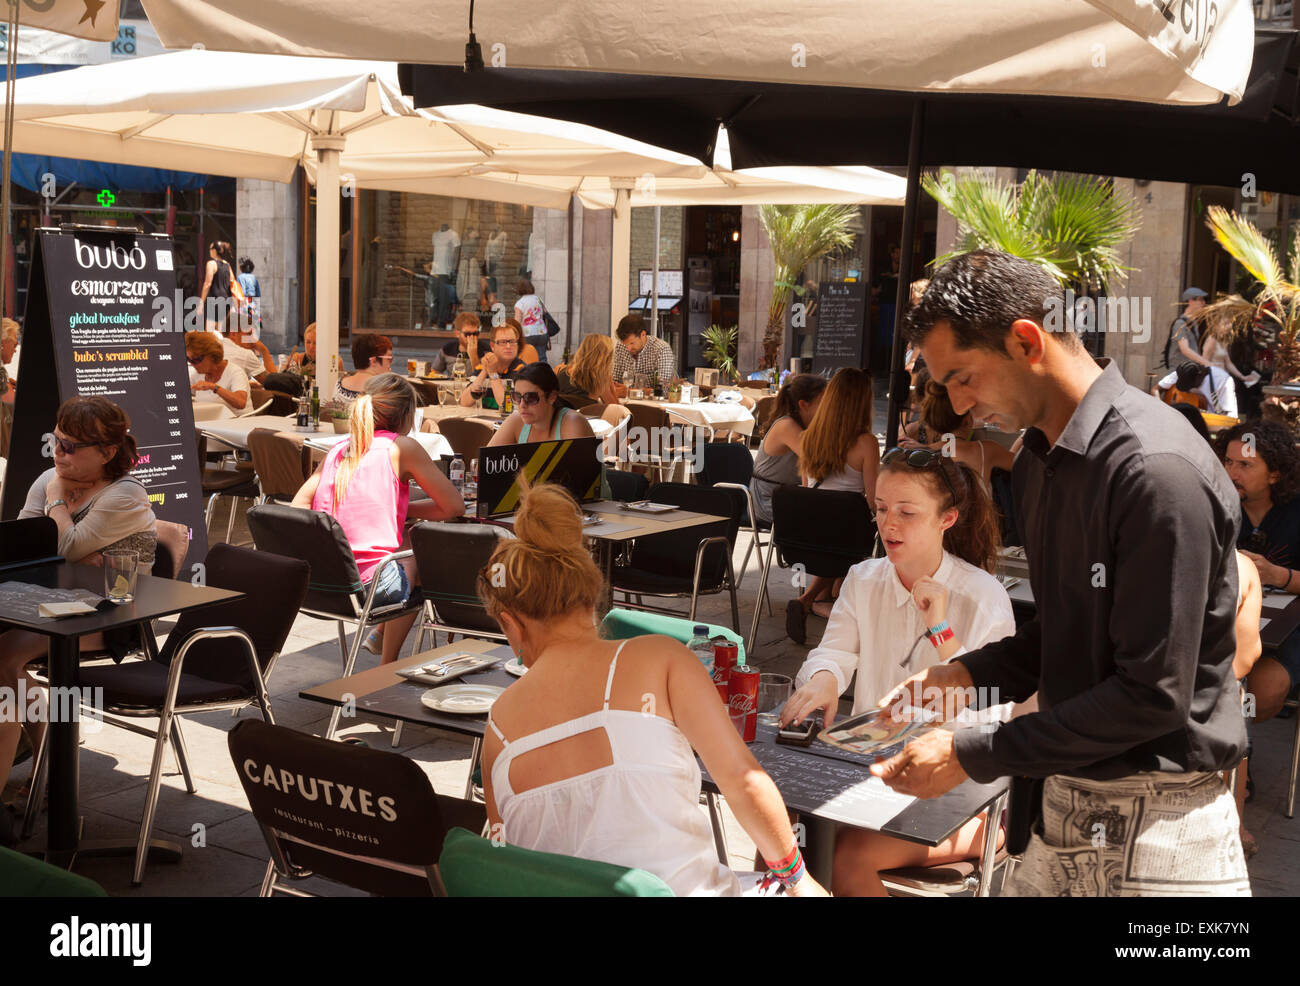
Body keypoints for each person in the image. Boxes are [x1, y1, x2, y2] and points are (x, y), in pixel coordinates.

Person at [877, 249, 1249, 897]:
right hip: (1055, 811)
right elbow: (1066, 632)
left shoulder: (1155, 470)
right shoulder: (1037, 464)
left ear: (1026, 340)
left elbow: (1152, 696)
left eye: (962, 377)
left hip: (1161, 834)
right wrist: (966, 672)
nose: (959, 406)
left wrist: (968, 752)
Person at [476, 481, 828, 896]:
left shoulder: (498, 727)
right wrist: (797, 877)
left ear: (510, 623)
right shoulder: (662, 660)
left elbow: (505, 856)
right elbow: (742, 780)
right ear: (592, 597)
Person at [781, 447, 1013, 895]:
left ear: (946, 519)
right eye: (882, 509)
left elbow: (990, 716)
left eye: (907, 512)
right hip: (871, 773)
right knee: (781, 835)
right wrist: (825, 678)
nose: (889, 524)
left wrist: (941, 629)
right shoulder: (863, 578)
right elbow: (834, 652)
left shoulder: (982, 597)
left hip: (963, 792)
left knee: (846, 856)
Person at [1, 397, 157, 843]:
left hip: (114, 610)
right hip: (52, 600)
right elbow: (28, 548)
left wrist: (56, 506)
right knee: (3, 662)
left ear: (107, 453)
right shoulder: (51, 477)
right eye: (56, 441)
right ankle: (35, 748)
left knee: (6, 661)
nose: (58, 453)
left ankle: (44, 761)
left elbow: (63, 548)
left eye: (71, 447)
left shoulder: (125, 492)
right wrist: (70, 546)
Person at [291, 374, 464, 664]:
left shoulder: (337, 450)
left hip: (322, 587)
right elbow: (453, 507)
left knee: (406, 541)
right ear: (408, 415)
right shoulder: (402, 448)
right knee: (419, 548)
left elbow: (298, 506)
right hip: (371, 590)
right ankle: (388, 663)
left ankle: (381, 637)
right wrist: (407, 511)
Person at [787, 366, 880, 644]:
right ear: (864, 402)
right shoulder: (866, 443)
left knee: (840, 542)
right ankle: (847, 611)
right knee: (868, 538)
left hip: (804, 536)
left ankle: (807, 599)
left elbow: (807, 489)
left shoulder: (808, 437)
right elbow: (874, 501)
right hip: (846, 540)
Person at [1219, 420, 1300, 722]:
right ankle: (1235, 762)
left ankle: (1237, 756)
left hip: (1288, 627)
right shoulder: (1216, 502)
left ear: (1275, 474)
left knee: (1259, 693)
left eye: (1245, 465)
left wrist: (1278, 575)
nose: (1231, 473)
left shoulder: (1295, 510)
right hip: (1225, 620)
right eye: (1228, 461)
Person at [750, 373, 827, 526]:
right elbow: (817, 459)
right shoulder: (787, 425)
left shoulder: (804, 427)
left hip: (786, 496)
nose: (828, 408)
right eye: (823, 402)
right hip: (768, 500)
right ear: (804, 405)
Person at [489, 363, 595, 446]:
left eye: (530, 397)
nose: (522, 405)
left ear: (552, 397)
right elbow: (483, 464)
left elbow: (578, 473)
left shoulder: (572, 422)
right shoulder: (516, 420)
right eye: (517, 396)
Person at [460, 320, 531, 409]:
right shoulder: (484, 367)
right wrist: (485, 370)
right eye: (503, 342)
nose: (508, 346)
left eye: (512, 341)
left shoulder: (522, 371)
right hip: (484, 420)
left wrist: (493, 374)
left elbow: (506, 406)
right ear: (492, 346)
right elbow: (464, 402)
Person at [187, 330, 249, 412]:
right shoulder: (197, 375)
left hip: (239, 420)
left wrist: (213, 387)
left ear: (212, 355)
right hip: (210, 421)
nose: (192, 364)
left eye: (196, 359)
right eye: (189, 359)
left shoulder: (235, 372)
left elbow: (241, 403)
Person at [556, 333, 619, 411]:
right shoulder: (597, 377)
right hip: (587, 420)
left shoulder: (563, 372)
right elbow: (616, 409)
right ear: (604, 357)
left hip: (562, 419)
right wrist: (610, 383)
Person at [1155, 361, 1238, 418]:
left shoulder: (1223, 380)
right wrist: (1161, 408)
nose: (1189, 389)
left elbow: (1228, 417)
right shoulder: (1185, 370)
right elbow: (1155, 389)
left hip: (1211, 423)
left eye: (1190, 386)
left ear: (1199, 376)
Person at [612, 313, 676, 388]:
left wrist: (629, 389)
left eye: (632, 343)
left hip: (652, 400)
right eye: (625, 344)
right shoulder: (620, 346)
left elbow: (663, 388)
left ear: (643, 334)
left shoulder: (661, 350)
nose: (628, 348)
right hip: (625, 399)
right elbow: (615, 381)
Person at [1161, 287, 1210, 372]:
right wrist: (1206, 362)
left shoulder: (1193, 324)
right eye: (1200, 299)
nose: (1203, 303)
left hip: (1189, 372)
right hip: (1178, 373)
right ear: (1190, 301)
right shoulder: (1180, 324)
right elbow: (1185, 349)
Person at [336, 333, 395, 404]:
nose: (390, 363)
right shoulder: (384, 391)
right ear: (373, 361)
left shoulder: (338, 386)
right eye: (389, 358)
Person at [197, 240, 236, 333]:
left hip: (214, 301)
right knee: (220, 332)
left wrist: (201, 302)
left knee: (210, 332)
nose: (209, 251)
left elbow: (207, 284)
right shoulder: (227, 265)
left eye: (210, 248)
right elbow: (232, 281)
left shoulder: (211, 264)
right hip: (226, 301)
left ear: (214, 250)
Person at [514, 278, 549, 363]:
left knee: (527, 359)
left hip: (527, 334)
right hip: (542, 332)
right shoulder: (538, 299)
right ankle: (544, 375)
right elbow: (545, 312)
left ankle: (529, 376)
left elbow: (517, 322)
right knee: (542, 358)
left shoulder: (520, 303)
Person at [236, 258, 262, 334]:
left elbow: (242, 292)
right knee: (254, 328)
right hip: (253, 303)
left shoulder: (240, 277)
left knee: (243, 328)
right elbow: (258, 294)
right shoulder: (254, 277)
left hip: (244, 303)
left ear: (241, 267)